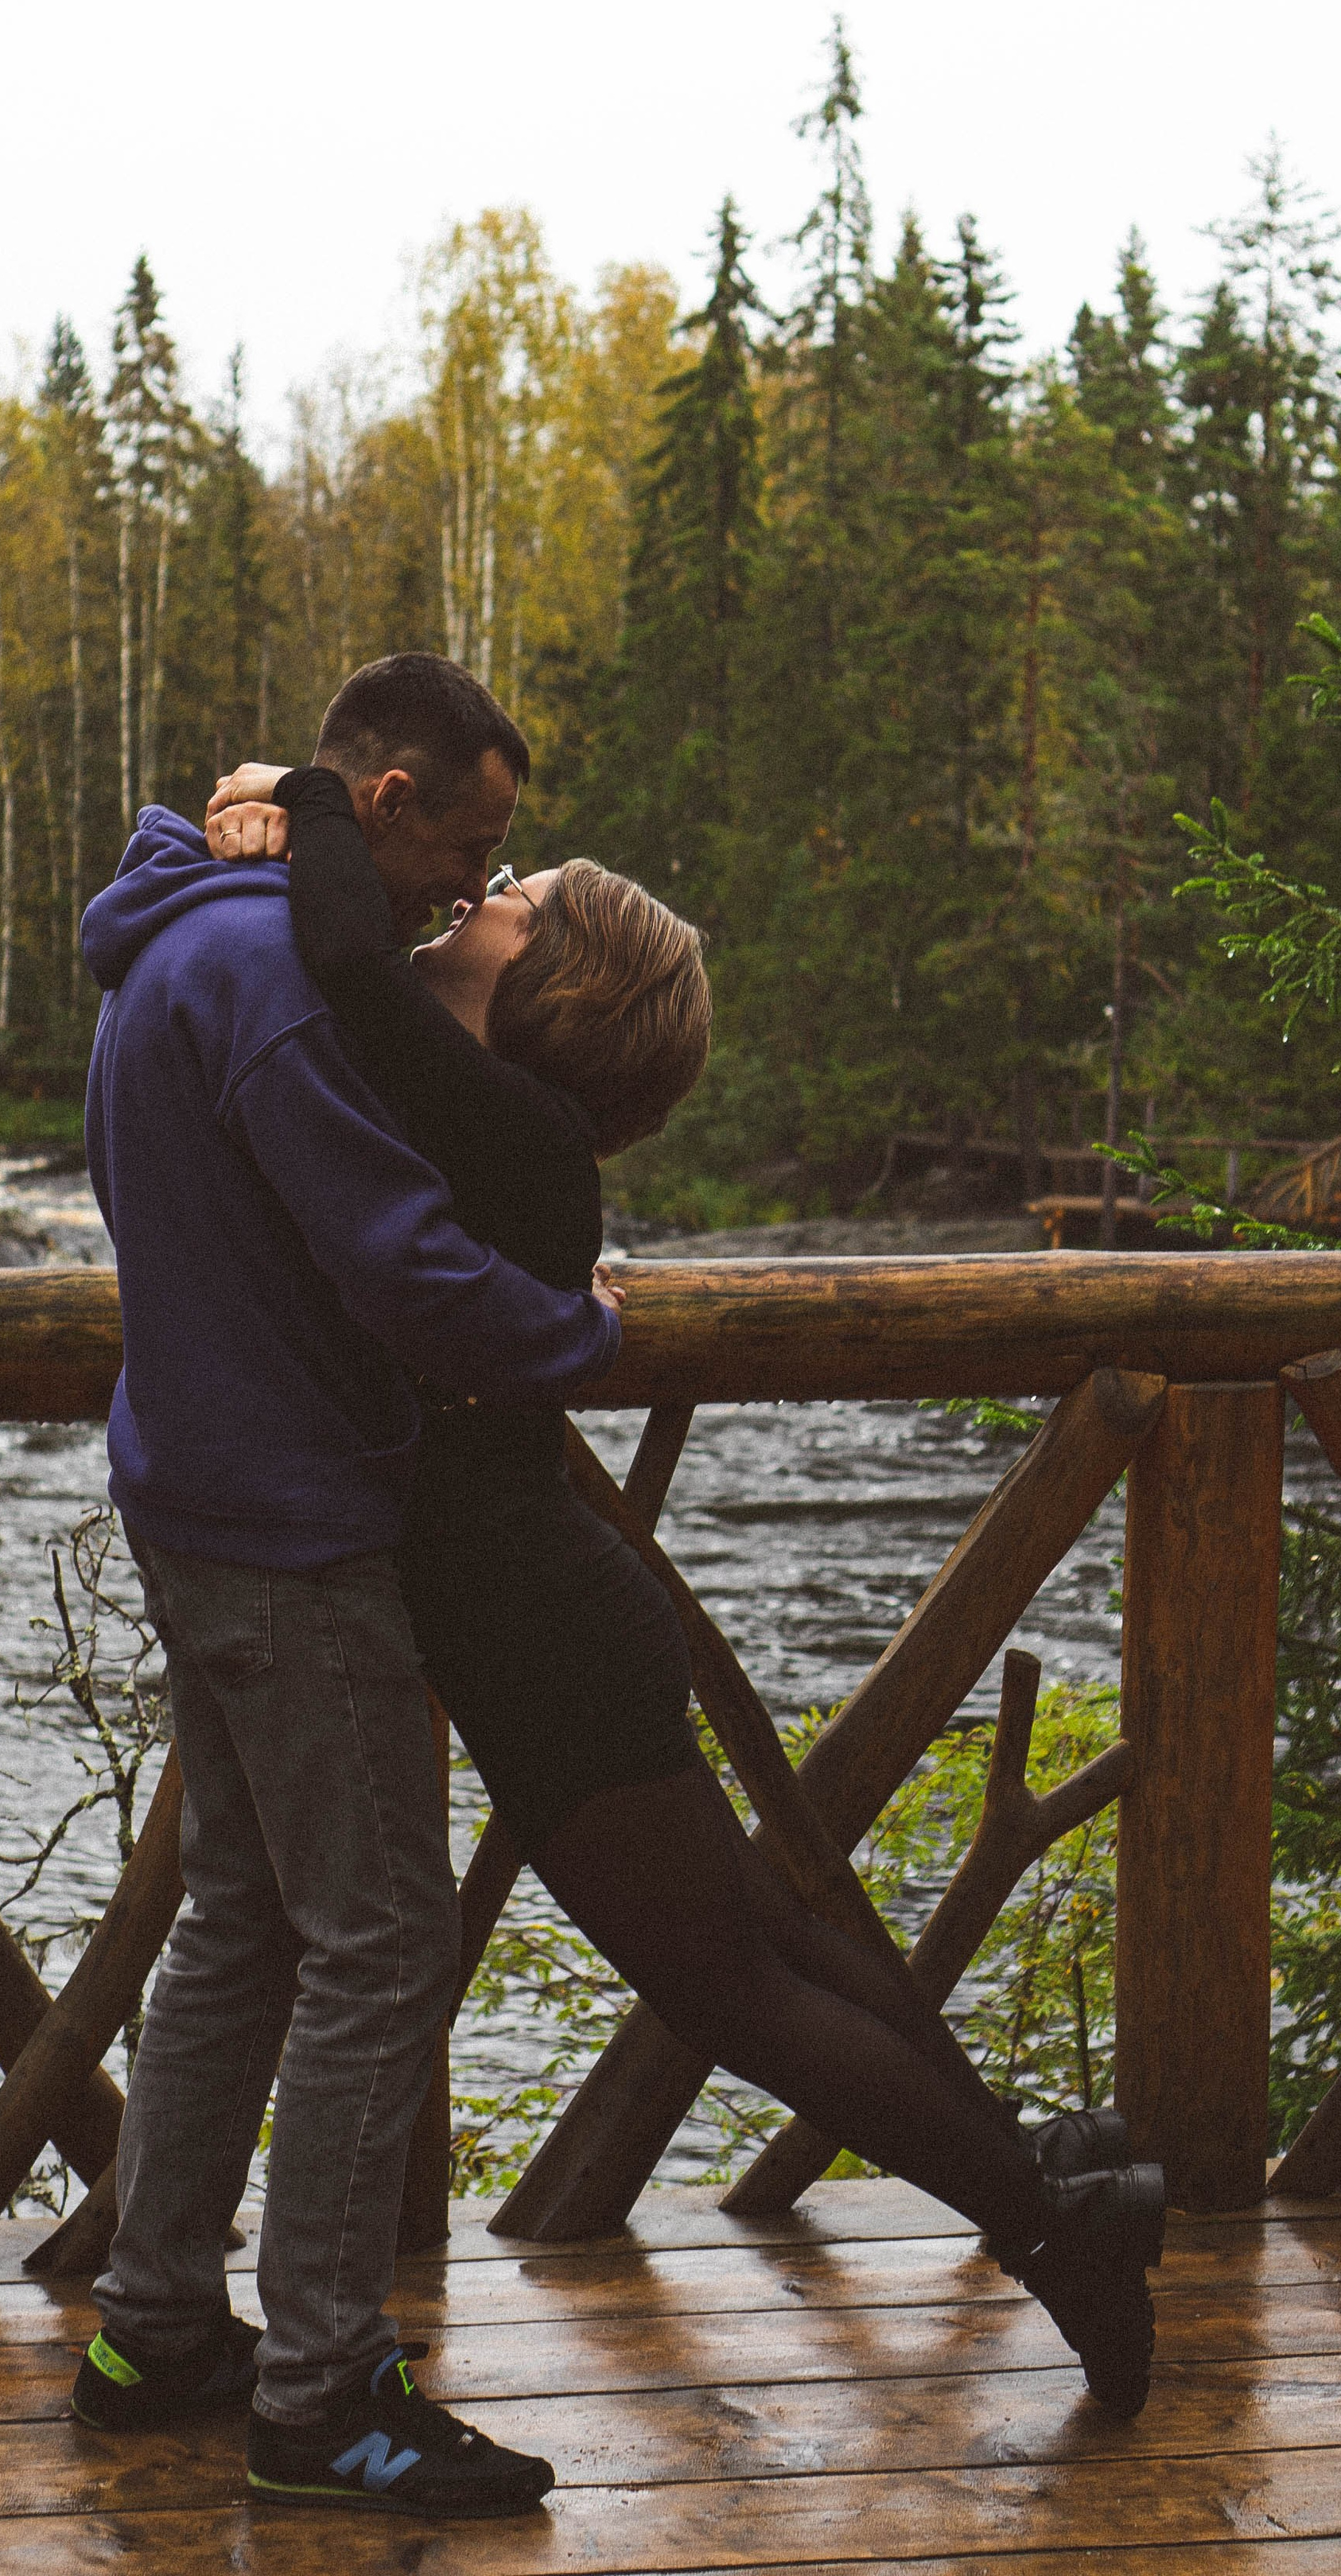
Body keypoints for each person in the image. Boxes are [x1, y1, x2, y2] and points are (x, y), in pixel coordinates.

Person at [204, 752, 1168, 2418]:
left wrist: (296, 800)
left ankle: (1047, 2231)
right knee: (757, 1943)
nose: (476, 899)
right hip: (547, 1608)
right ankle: (1051, 2179)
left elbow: (342, 960)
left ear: (553, 984)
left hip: (536, 1628)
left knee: (725, 1986)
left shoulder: (492, 1112)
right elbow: (348, 979)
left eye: (508, 899)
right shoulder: (497, 1121)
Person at [72, 655, 622, 2521]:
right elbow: (401, 1267)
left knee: (243, 1915)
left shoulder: (187, 926)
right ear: (379, 800)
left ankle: (154, 2321)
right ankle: (318, 2397)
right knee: (380, 1941)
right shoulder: (276, 987)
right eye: (463, 850)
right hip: (293, 1532)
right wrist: (582, 1331)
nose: (468, 895)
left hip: (190, 1489)